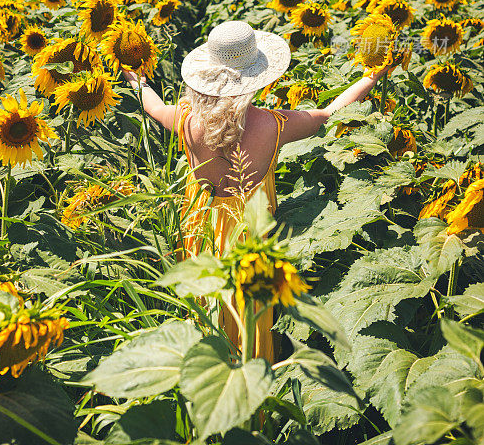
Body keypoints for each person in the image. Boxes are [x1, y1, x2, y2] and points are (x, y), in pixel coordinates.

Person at [123, 20, 393, 363]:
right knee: (250, 316)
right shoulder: (271, 123)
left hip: (201, 229)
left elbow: (154, 108)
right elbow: (328, 113)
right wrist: (371, 76)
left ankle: (203, 372)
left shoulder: (186, 120)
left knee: (206, 308)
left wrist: (138, 81)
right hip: (250, 238)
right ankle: (253, 390)